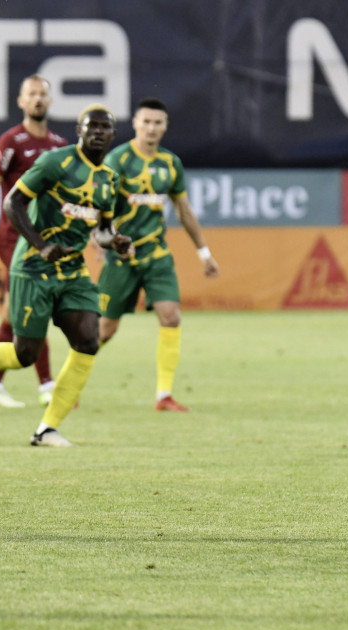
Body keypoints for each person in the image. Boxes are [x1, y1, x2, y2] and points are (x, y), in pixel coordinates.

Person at [0, 105, 131, 448]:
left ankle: (47, 429)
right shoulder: (56, 163)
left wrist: (113, 240)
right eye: (92, 126)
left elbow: (101, 231)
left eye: (106, 127)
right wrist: (39, 246)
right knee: (24, 354)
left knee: (88, 340)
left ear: (112, 135)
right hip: (33, 268)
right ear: (79, 130)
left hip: (72, 270)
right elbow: (13, 203)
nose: (99, 132)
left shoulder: (109, 179)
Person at [99, 98, 220, 412]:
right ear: (136, 123)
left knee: (171, 316)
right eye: (146, 122)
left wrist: (204, 252)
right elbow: (98, 205)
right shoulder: (118, 159)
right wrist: (102, 242)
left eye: (158, 123)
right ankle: (68, 386)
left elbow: (183, 210)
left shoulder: (170, 163)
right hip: (121, 256)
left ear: (165, 127)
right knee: (104, 330)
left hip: (156, 255)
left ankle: (164, 395)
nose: (152, 128)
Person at [0, 75, 68, 409]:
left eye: (42, 94)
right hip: (16, 239)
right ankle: (48, 385)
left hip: (47, 240)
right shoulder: (11, 141)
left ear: (50, 101)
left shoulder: (59, 145)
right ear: (21, 102)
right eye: (31, 94)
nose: (37, 99)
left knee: (15, 312)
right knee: (36, 303)